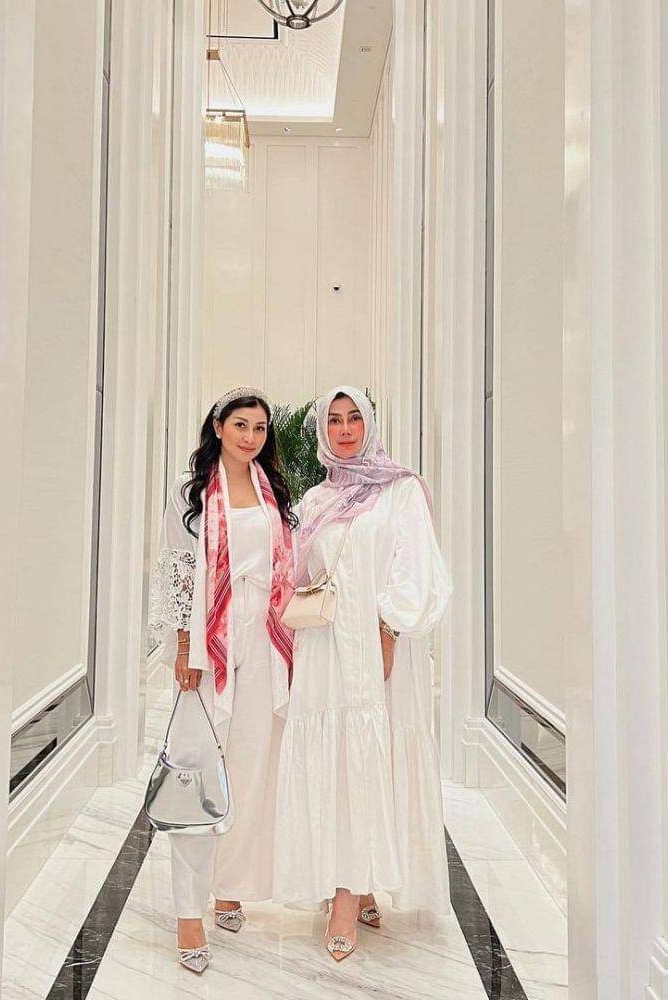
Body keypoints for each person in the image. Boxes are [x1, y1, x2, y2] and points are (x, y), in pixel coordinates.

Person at [274, 385, 452, 960]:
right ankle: (354, 881)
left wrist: (389, 628)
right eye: (334, 420)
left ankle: (349, 896)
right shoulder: (317, 498)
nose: (345, 429)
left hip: (376, 648)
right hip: (326, 648)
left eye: (354, 418)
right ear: (322, 430)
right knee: (337, 759)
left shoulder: (401, 490)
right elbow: (304, 576)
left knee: (372, 756)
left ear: (370, 424)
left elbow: (417, 566)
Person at [149, 387, 296, 974]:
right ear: (218, 427)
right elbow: (177, 570)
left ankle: (229, 885)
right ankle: (189, 912)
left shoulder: (272, 490)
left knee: (252, 763)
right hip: (209, 635)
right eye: (240, 425)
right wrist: (184, 646)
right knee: (197, 767)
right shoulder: (189, 493)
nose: (250, 437)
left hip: (265, 635)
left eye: (259, 428)